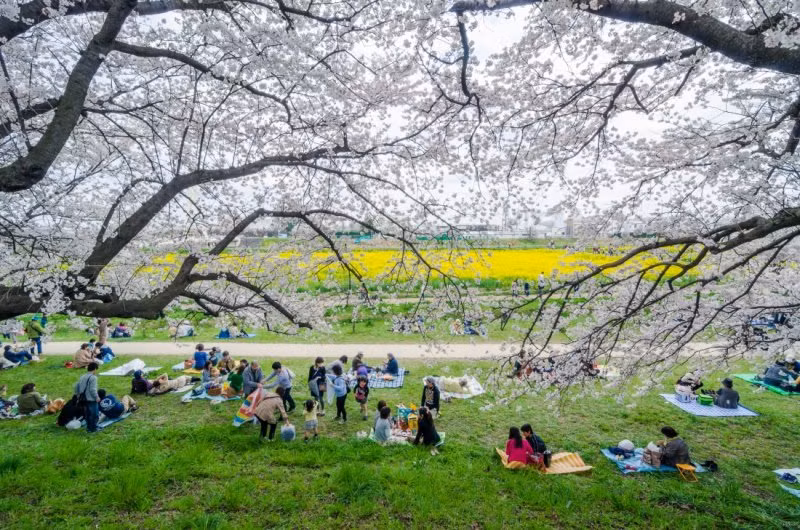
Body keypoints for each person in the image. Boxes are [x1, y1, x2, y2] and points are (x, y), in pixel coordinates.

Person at [74, 363, 100, 432]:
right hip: (91, 399)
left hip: (83, 399)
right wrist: (97, 397)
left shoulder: (82, 376)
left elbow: (76, 386)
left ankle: (88, 428)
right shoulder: (93, 377)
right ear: (94, 369)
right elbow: (92, 389)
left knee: (87, 414)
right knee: (94, 415)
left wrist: (78, 395)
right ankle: (93, 428)